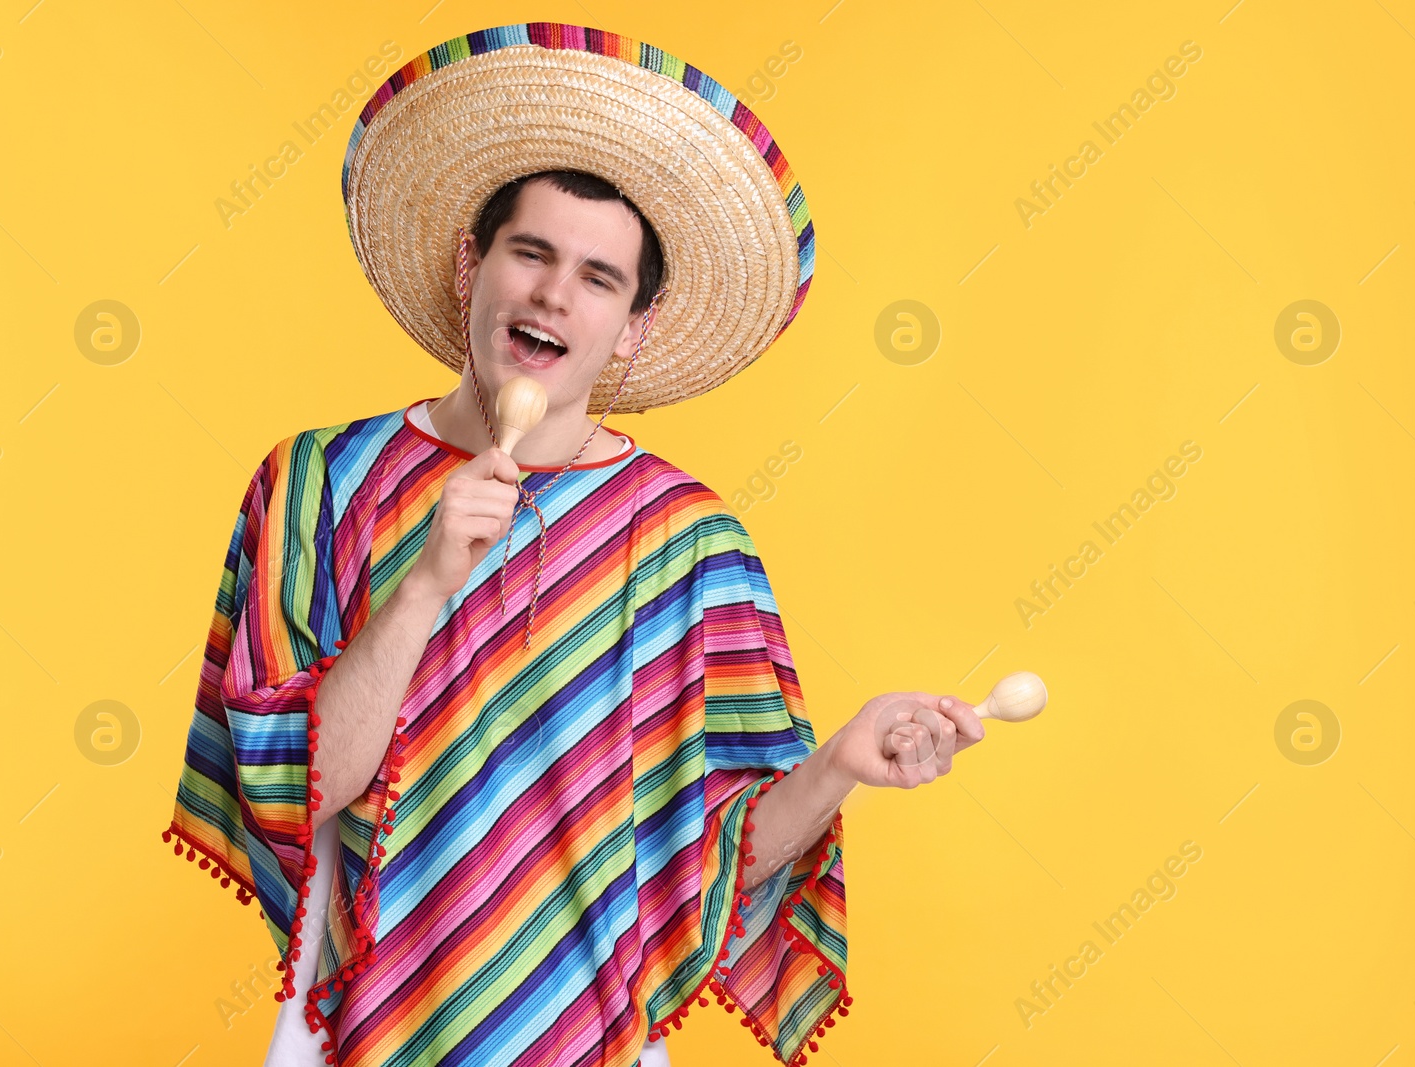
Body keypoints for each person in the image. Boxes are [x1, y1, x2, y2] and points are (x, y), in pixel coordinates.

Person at [163, 23, 988, 1067]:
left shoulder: (688, 543)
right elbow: (293, 787)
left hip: (589, 1040)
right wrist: (423, 586)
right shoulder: (317, 484)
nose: (555, 294)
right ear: (473, 264)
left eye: (600, 278)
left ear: (633, 325)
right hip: (348, 1038)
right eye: (532, 252)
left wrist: (837, 763)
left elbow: (720, 859)